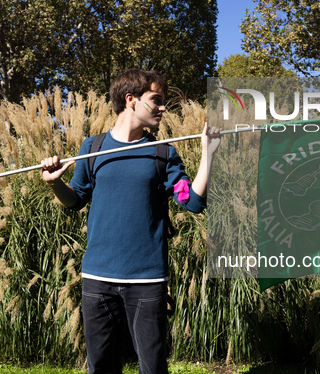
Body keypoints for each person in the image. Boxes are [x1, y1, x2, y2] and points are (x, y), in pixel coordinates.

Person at [40, 69, 221, 374]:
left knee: (152, 368)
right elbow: (76, 200)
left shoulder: (164, 154)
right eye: (157, 100)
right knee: (101, 367)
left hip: (147, 281)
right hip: (98, 279)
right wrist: (54, 183)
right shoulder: (92, 149)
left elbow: (191, 201)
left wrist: (209, 153)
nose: (163, 108)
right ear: (131, 100)